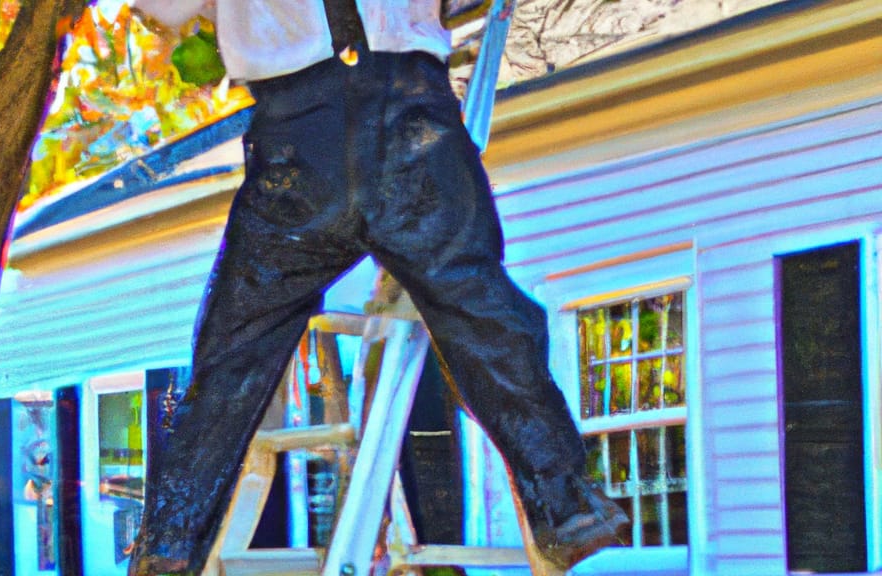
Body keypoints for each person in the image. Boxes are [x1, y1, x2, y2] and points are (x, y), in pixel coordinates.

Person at [128, 1, 628, 574]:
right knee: (477, 302)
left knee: (235, 339)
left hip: (298, 129)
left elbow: (165, 9)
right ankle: (565, 505)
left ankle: (173, 536)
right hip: (409, 111)